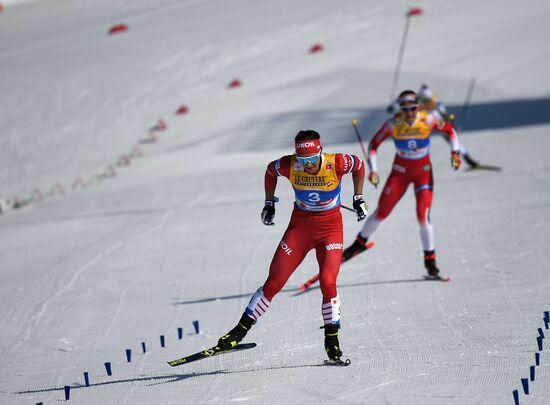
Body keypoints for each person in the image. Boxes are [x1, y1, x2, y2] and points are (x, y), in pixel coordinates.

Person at [216, 129, 369, 363]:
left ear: (320, 151)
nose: (306, 164)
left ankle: (332, 341)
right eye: (302, 159)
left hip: (330, 229)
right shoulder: (290, 165)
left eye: (310, 159)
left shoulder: (335, 162)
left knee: (328, 281)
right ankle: (239, 331)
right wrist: (269, 203)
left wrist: (358, 197)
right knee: (274, 281)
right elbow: (270, 170)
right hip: (300, 228)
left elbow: (358, 166)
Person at [342, 90, 461, 278]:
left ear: (418, 107)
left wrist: (455, 152)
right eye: (405, 109)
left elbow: (450, 130)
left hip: (422, 173)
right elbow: (373, 145)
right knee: (382, 212)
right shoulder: (393, 124)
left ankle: (430, 261)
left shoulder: (428, 119)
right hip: (400, 173)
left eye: (413, 108)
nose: (410, 113)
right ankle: (359, 244)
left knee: (423, 215)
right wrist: (373, 169)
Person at [417, 84, 481, 169]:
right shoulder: (434, 100)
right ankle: (467, 158)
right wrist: (451, 123)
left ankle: (467, 158)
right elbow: (445, 114)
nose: (426, 101)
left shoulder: (423, 100)